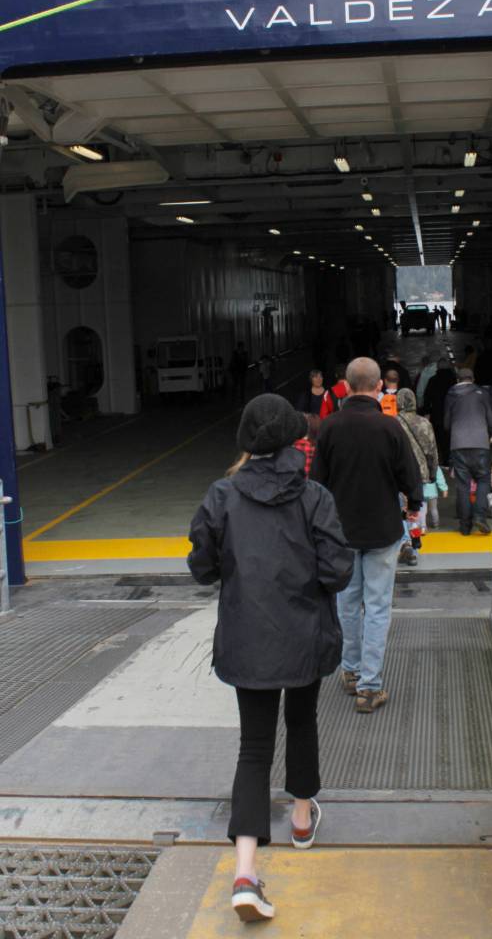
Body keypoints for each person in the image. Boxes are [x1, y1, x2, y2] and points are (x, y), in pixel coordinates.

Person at [188, 394, 353, 923]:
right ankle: (302, 820)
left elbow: (202, 568)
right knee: (302, 722)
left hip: (246, 641)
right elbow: (338, 573)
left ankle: (244, 872)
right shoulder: (315, 498)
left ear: (245, 443)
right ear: (292, 440)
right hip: (303, 637)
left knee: (253, 748)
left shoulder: (221, 496)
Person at [311, 357, 423, 713]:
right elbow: (411, 477)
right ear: (378, 387)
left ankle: (350, 671)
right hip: (383, 530)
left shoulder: (329, 427)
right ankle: (370, 687)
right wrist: (413, 506)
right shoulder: (390, 428)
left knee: (347, 604)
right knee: (377, 607)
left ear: (345, 386)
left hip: (342, 532)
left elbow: (316, 483)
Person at [444, 367, 492, 536]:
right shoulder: (482, 393)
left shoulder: (451, 394)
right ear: (473, 378)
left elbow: (446, 424)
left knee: (463, 485)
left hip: (458, 445)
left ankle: (465, 525)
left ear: (457, 380)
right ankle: (480, 517)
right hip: (480, 444)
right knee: (483, 480)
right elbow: (491, 419)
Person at [395, 389, 439, 566]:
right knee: (415, 510)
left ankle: (404, 542)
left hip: (398, 474)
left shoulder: (392, 423)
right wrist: (432, 473)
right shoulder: (424, 424)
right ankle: (413, 546)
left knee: (401, 509)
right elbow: (432, 452)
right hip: (419, 474)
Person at [423, 358, 456, 465]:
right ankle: (453, 458)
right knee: (451, 437)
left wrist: (426, 411)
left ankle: (444, 460)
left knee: (440, 438)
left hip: (437, 414)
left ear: (437, 367)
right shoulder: (454, 380)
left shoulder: (433, 380)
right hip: (452, 414)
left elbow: (427, 397)